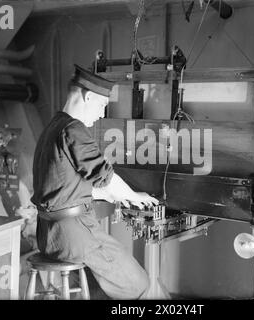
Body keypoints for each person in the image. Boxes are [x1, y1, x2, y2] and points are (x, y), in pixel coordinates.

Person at [31, 64, 159, 299]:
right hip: (74, 236)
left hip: (49, 236)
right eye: (101, 105)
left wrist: (108, 195)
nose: (101, 114)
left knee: (104, 282)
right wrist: (132, 195)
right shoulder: (73, 129)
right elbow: (106, 178)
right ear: (87, 96)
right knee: (141, 284)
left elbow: (62, 188)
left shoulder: (53, 127)